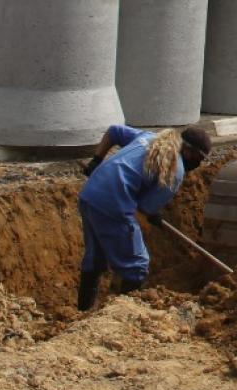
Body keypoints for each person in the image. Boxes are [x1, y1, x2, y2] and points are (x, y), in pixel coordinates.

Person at [76, 123, 212, 311]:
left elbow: (114, 131)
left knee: (95, 257)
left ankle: (82, 311)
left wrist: (96, 161)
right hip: (113, 205)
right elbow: (146, 206)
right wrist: (154, 215)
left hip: (89, 195)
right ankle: (122, 316)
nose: (197, 164)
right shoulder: (176, 169)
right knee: (137, 265)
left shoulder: (151, 138)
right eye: (199, 158)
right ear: (189, 151)